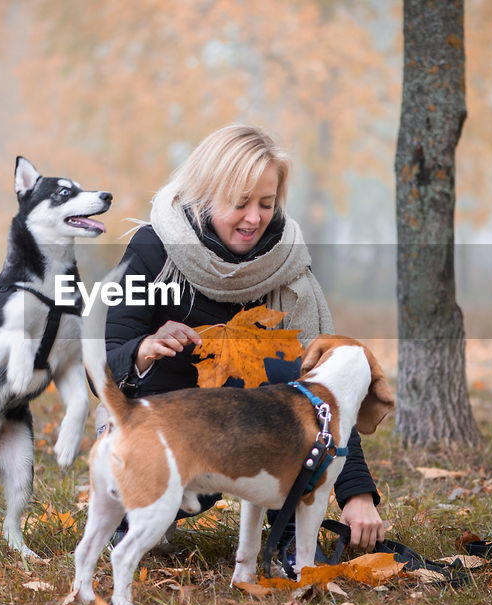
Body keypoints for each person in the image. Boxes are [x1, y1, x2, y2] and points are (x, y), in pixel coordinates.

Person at [102, 123, 385, 554]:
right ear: (205, 194)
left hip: (248, 444)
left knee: (289, 369)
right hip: (160, 428)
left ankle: (289, 531)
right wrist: (142, 351)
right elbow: (105, 363)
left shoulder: (287, 268)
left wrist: (355, 493)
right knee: (145, 524)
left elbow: (330, 395)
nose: (254, 218)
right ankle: (138, 516)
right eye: (239, 203)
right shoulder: (153, 251)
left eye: (266, 203)